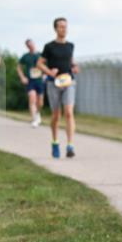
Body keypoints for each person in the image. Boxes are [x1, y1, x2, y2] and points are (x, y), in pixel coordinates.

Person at [36, 17, 79, 158]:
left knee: (68, 112)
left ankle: (70, 145)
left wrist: (75, 67)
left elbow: (70, 61)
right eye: (60, 26)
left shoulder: (70, 46)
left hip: (68, 82)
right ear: (55, 29)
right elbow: (39, 64)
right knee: (56, 115)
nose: (63, 29)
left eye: (65, 26)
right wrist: (49, 72)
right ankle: (55, 142)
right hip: (53, 83)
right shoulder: (49, 47)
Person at [17, 39, 45, 127]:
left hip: (40, 81)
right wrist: (22, 77)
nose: (30, 46)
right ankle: (34, 119)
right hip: (30, 81)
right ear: (27, 47)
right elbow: (19, 67)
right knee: (32, 98)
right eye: (28, 45)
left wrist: (45, 75)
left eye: (31, 44)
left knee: (40, 102)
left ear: (34, 44)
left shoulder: (41, 55)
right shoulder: (25, 56)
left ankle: (38, 113)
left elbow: (48, 66)